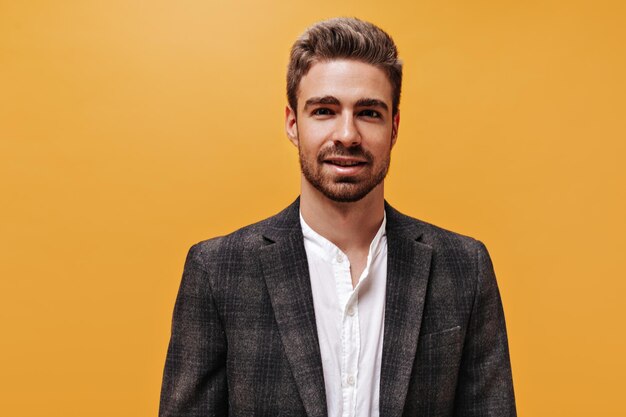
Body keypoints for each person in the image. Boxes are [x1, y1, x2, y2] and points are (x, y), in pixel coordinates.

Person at [159, 17, 516, 417]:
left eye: (369, 113)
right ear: (293, 124)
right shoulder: (218, 271)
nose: (347, 134)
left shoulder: (465, 268)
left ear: (394, 127)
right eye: (325, 111)